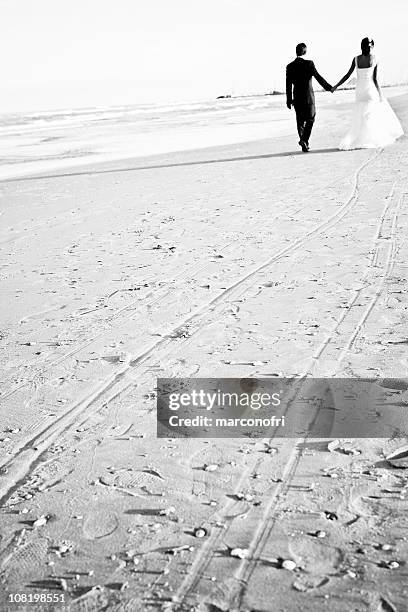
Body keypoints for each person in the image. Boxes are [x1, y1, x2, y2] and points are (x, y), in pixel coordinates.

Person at [332, 37, 403, 150]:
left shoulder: (356, 59)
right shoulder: (374, 58)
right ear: (372, 47)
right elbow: (374, 79)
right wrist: (380, 94)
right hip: (370, 90)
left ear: (361, 47)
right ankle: (371, 139)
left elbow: (347, 75)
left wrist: (336, 86)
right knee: (371, 115)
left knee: (360, 116)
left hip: (359, 91)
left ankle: (360, 139)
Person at [286, 43, 333, 152]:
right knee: (311, 118)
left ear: (296, 52)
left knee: (300, 121)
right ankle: (304, 140)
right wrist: (329, 88)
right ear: (305, 52)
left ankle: (304, 143)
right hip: (308, 97)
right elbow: (318, 77)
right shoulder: (309, 64)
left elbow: (288, 85)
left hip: (296, 98)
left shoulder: (290, 66)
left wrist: (288, 100)